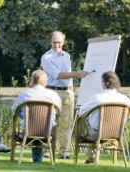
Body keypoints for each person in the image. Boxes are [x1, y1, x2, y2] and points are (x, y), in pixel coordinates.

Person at [41, 31, 88, 159]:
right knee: (49, 122)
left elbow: (67, 74)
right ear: (50, 41)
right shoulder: (46, 57)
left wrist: (71, 89)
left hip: (67, 92)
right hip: (52, 91)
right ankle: (46, 151)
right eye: (54, 42)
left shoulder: (66, 56)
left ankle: (64, 152)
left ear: (63, 42)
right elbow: (58, 74)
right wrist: (76, 74)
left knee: (66, 123)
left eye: (59, 42)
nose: (57, 44)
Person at [78, 71, 130, 164]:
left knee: (92, 126)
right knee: (95, 126)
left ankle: (91, 157)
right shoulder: (125, 99)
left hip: (97, 133)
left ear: (103, 83)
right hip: (116, 132)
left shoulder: (98, 98)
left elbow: (81, 112)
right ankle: (91, 157)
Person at [12, 69, 62, 163]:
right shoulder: (54, 95)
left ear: (32, 80)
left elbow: (14, 110)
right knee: (42, 127)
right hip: (47, 130)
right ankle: (38, 160)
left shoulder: (25, 94)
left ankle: (37, 160)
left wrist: (27, 117)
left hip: (28, 130)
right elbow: (59, 112)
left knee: (31, 126)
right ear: (45, 82)